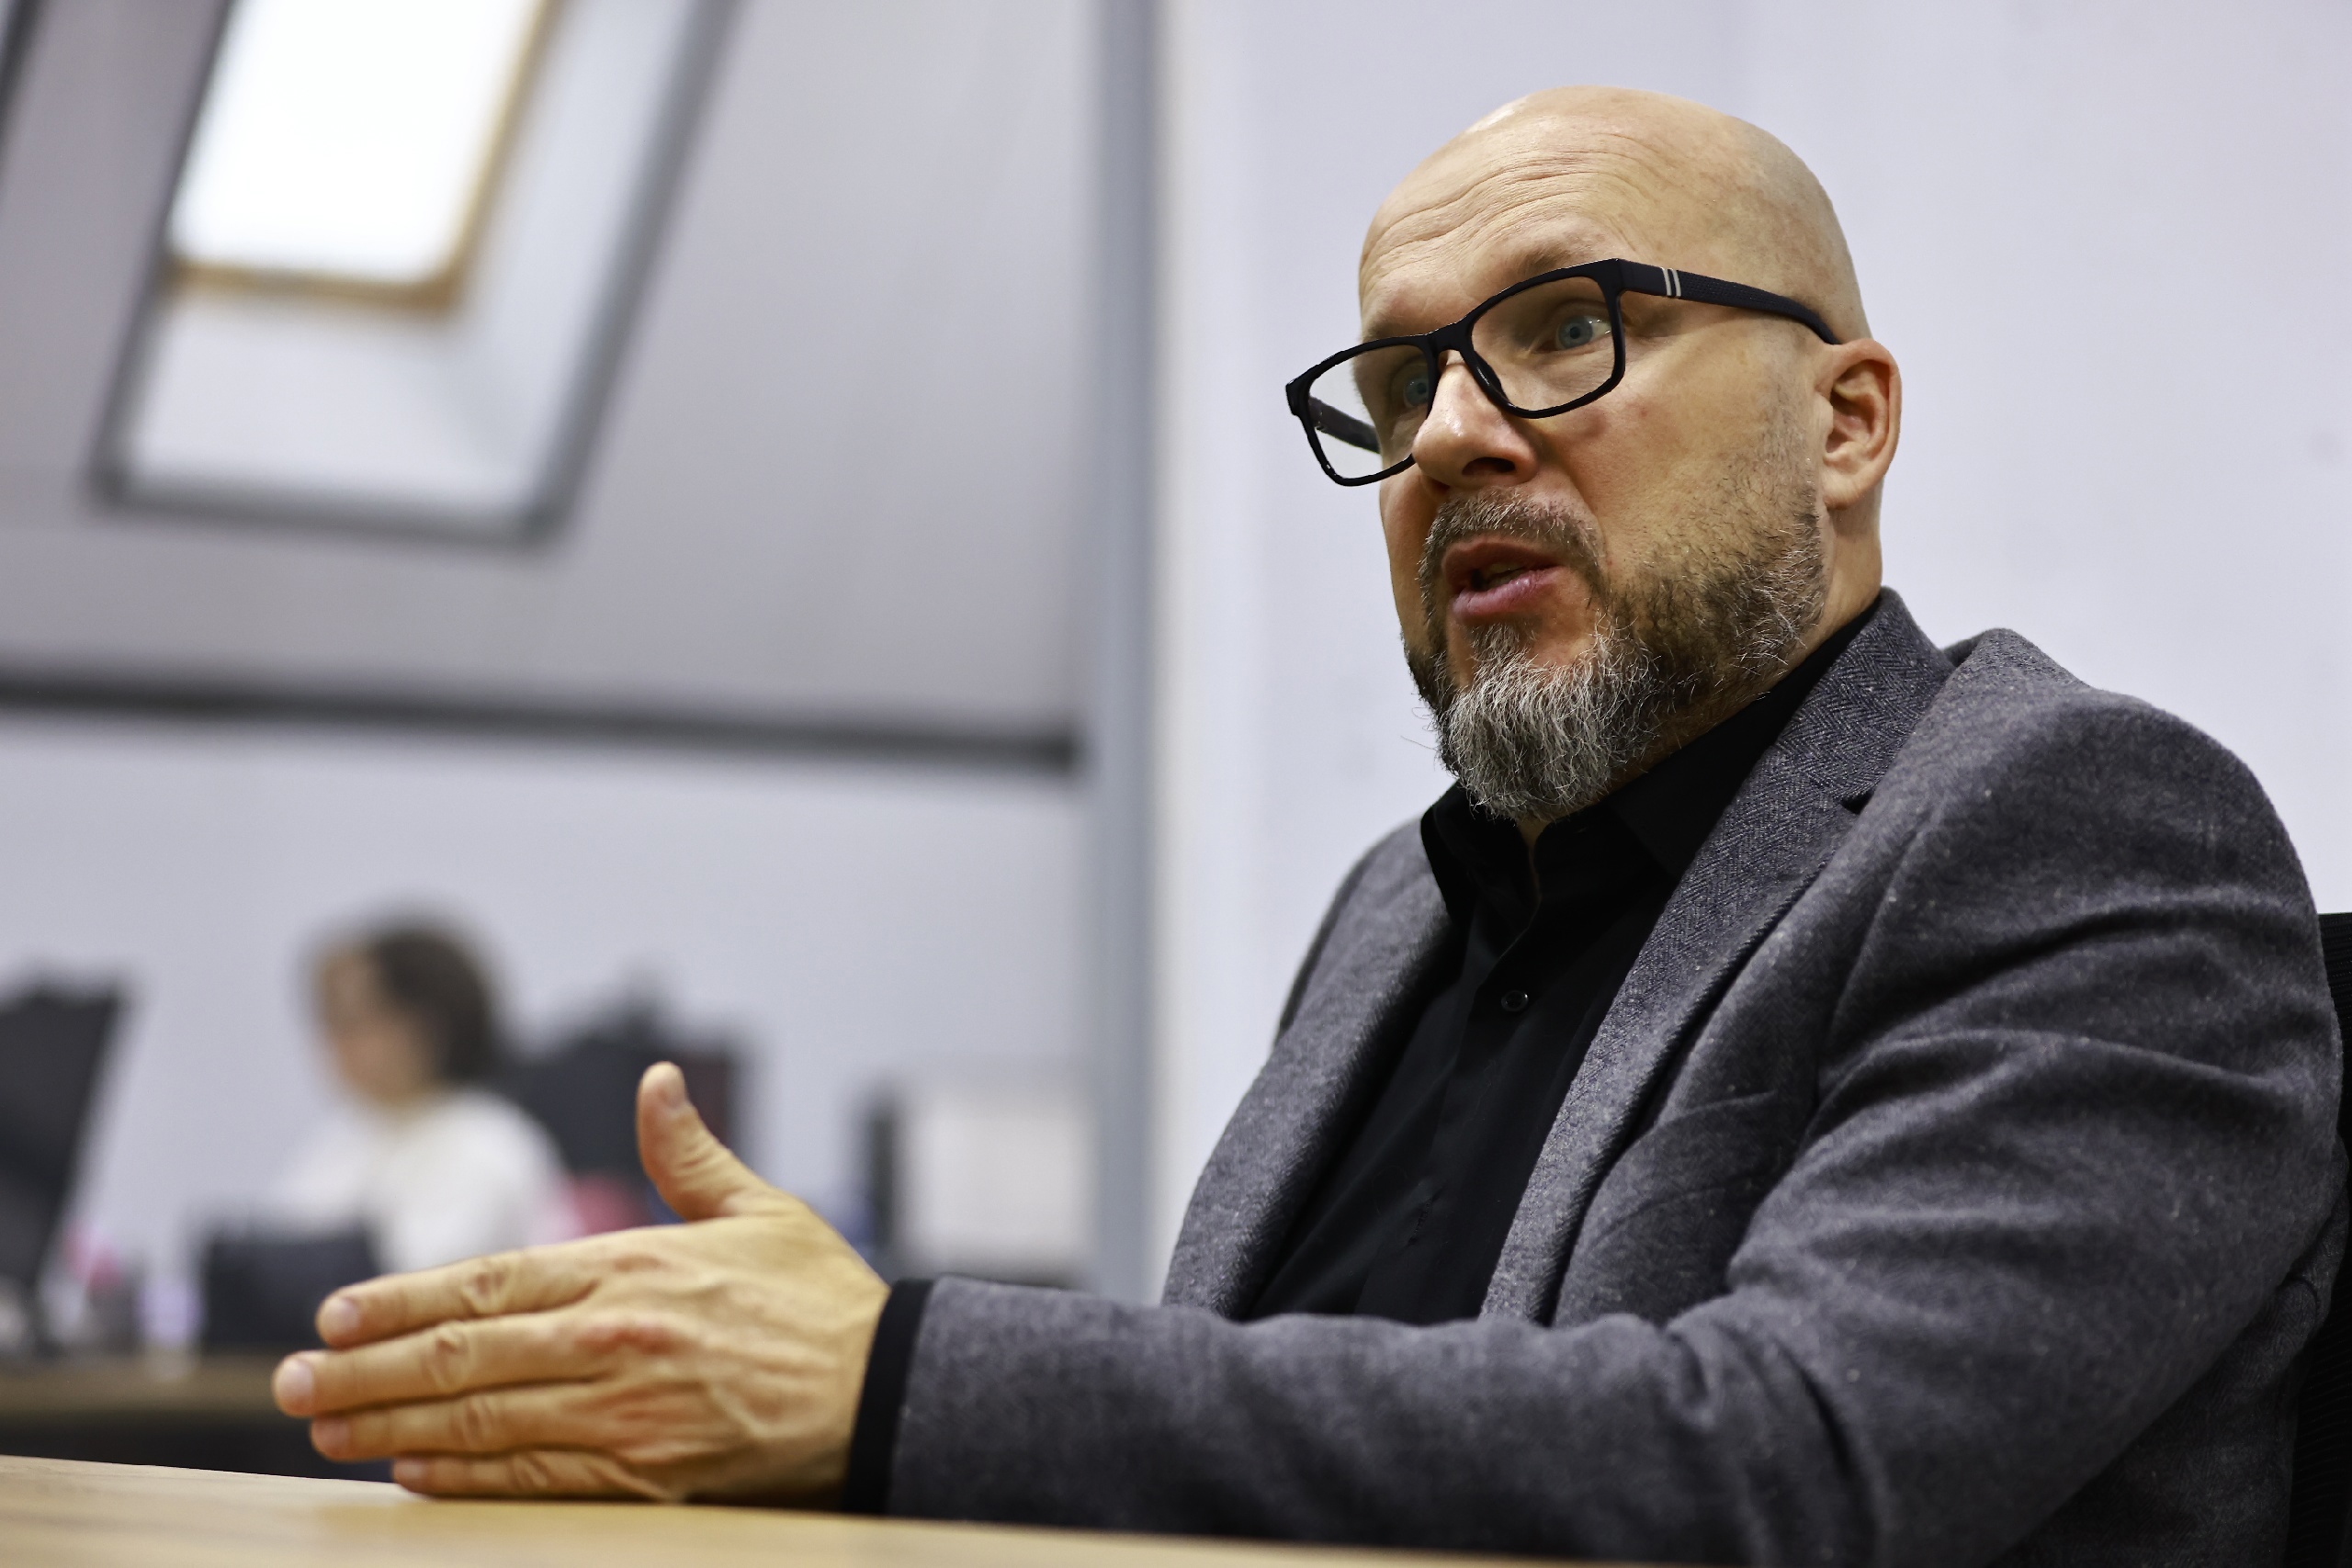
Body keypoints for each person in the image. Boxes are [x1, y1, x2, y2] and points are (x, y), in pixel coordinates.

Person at [268, 87, 2344, 1564]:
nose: (1448, 434)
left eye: (1563, 326)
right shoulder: (1389, 909)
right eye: (1397, 381)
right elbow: (1250, 1451)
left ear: (1845, 422)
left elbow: (1789, 1462)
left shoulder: (2078, 826)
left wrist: (885, 1379)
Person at [269, 922, 568, 1276]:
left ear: (426, 1027)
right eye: (329, 1022)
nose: (335, 1042)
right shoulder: (339, 1142)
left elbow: (413, 1282)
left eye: (354, 1021)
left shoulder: (487, 1144)